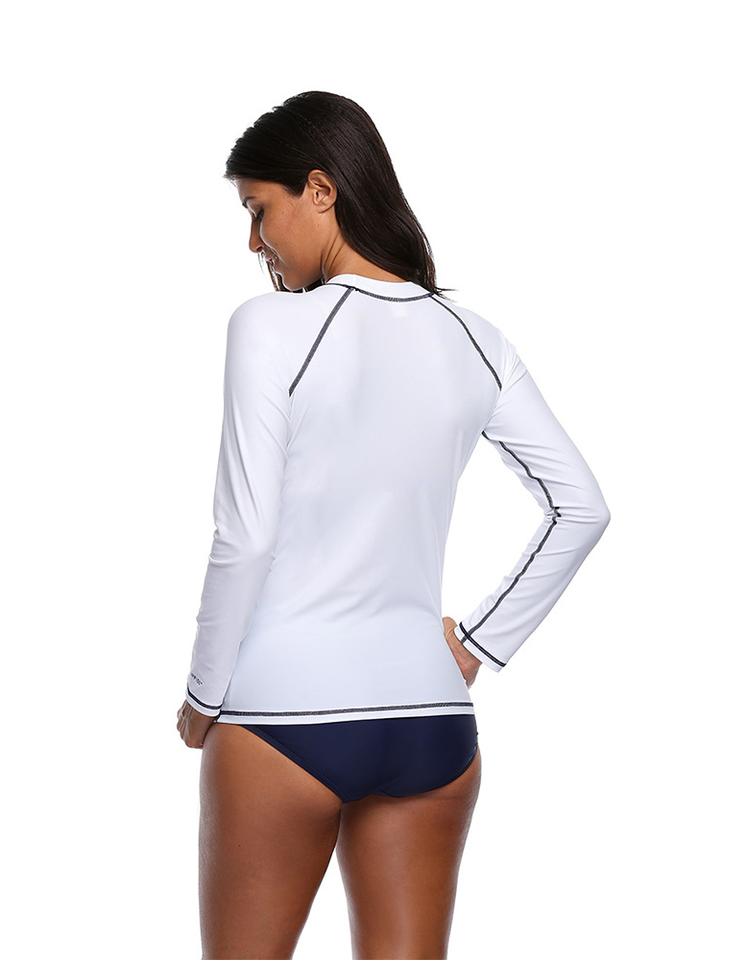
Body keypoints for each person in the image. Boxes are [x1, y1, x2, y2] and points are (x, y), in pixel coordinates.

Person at [176, 91, 611, 959]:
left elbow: (246, 536)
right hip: (430, 724)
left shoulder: (269, 327)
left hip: (281, 718)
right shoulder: (475, 337)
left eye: (258, 211)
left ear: (320, 190)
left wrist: (203, 694)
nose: (254, 243)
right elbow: (582, 506)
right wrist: (478, 646)